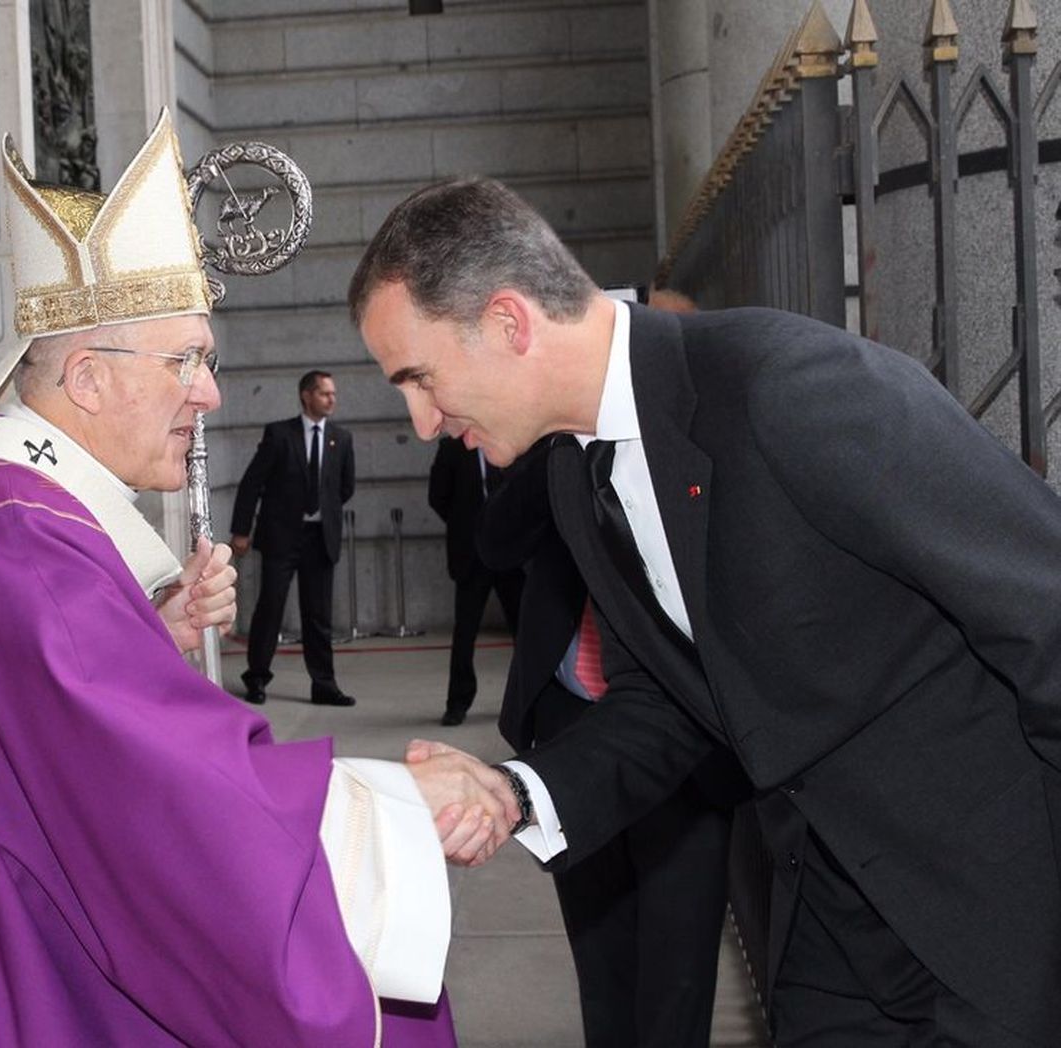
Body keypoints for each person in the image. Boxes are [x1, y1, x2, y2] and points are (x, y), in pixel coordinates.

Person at [0, 112, 514, 1047]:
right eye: (188, 360)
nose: (210, 393)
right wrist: (402, 809)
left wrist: (151, 635)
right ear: (87, 379)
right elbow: (165, 801)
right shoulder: (17, 541)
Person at [349, 176, 1061, 1047]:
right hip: (830, 930)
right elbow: (671, 705)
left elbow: (1045, 612)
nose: (421, 422)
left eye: (418, 378)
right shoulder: (578, 475)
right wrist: (513, 791)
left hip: (1000, 922)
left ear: (508, 322)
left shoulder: (789, 386)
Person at [483, 435, 737, 1048]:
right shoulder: (549, 444)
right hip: (572, 724)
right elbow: (495, 543)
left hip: (687, 734)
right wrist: (566, 440)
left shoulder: (691, 432)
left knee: (680, 966)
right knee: (601, 960)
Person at [230, 369, 357, 705]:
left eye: (333, 394)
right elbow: (252, 483)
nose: (332, 399)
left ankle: (324, 685)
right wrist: (241, 530)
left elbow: (344, 488)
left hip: (320, 539)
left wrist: (321, 513)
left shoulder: (341, 439)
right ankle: (256, 678)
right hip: (282, 537)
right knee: (270, 609)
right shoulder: (279, 434)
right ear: (306, 396)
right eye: (325, 393)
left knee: (319, 616)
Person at [428, 434, 523, 726]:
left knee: (525, 631)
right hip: (471, 556)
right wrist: (465, 526)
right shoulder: (453, 448)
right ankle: (457, 702)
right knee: (465, 632)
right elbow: (438, 497)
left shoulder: (511, 440)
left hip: (510, 555)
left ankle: (527, 700)